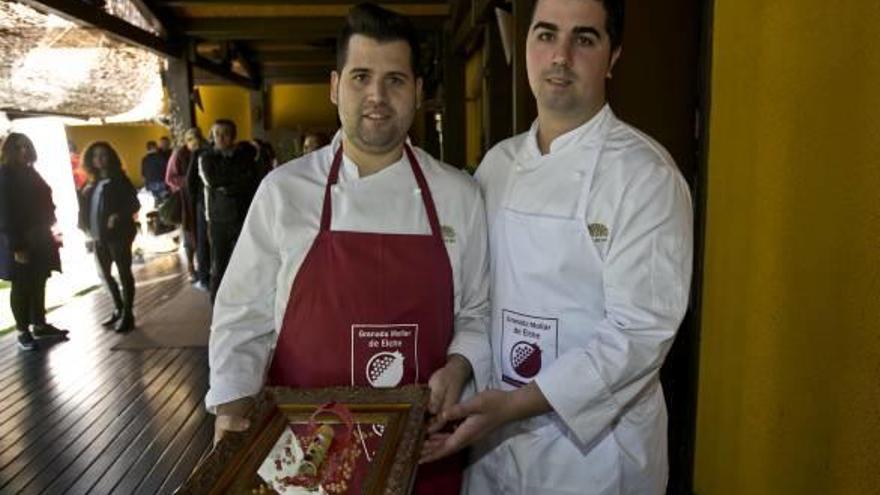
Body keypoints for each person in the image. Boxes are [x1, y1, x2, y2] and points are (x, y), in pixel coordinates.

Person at [206, 4, 490, 494]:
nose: (377, 96)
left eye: (396, 80)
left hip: (420, 451)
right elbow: (242, 317)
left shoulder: (458, 195)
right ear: (335, 86)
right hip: (304, 453)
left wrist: (461, 365)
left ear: (418, 92)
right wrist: (232, 409)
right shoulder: (284, 191)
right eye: (361, 77)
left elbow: (479, 311)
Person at [420, 1, 694, 494]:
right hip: (493, 443)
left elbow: (639, 333)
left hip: (594, 459)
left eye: (584, 39)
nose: (560, 56)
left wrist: (515, 404)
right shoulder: (496, 167)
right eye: (545, 35)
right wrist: (461, 367)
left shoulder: (646, 176)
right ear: (525, 47)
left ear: (613, 57)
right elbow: (479, 303)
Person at [0, 133, 69, 351]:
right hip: (20, 238)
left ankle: (39, 323)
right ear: (9, 150)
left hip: (39, 236)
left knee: (39, 280)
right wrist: (16, 245)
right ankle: (23, 331)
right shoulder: (5, 176)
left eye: (26, 146)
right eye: (18, 147)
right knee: (22, 285)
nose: (23, 151)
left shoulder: (30, 172)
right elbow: (5, 213)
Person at [196, 119, 262, 302]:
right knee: (219, 263)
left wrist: (231, 186)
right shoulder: (206, 158)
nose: (221, 138)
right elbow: (215, 181)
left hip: (243, 215)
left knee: (246, 260)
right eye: (217, 134)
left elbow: (250, 180)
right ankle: (216, 302)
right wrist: (235, 182)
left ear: (233, 135)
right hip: (219, 219)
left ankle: (245, 299)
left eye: (225, 133)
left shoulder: (243, 155)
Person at [79, 142, 141, 333]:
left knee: (124, 273)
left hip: (119, 235)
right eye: (95, 155)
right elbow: (85, 209)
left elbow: (134, 204)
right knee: (104, 275)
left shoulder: (120, 180)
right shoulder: (91, 183)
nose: (99, 159)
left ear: (111, 157)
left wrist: (118, 215)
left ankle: (128, 314)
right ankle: (118, 307)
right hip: (98, 236)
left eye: (103, 155)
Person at [166, 127, 205, 282]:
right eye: (190, 138)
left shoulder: (204, 152)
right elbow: (170, 178)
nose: (194, 141)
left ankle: (204, 266)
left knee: (203, 235)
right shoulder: (179, 154)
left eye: (196, 137)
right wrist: (188, 182)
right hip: (186, 201)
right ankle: (190, 267)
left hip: (202, 199)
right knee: (189, 234)